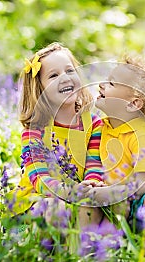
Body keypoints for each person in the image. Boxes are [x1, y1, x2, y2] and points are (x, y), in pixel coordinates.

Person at [7, 42, 104, 228]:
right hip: (40, 199)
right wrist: (68, 192)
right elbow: (39, 176)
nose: (64, 78)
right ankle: (48, 253)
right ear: (40, 90)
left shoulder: (93, 125)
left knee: (91, 208)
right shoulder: (34, 131)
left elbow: (95, 163)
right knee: (56, 208)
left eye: (69, 71)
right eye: (53, 75)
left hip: (79, 193)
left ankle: (80, 254)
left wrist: (91, 183)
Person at [87, 55, 145, 232]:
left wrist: (112, 193)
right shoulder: (101, 127)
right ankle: (92, 249)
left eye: (111, 83)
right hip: (105, 203)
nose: (102, 85)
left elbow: (144, 183)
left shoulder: (141, 135)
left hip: (135, 204)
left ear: (133, 104)